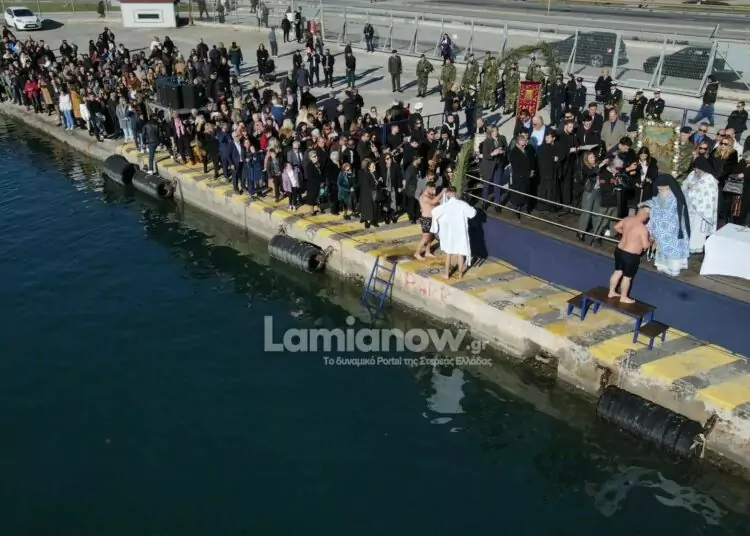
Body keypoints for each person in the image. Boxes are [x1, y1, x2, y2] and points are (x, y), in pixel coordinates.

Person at [642, 174, 691, 277]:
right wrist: (645, 204)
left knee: (672, 251)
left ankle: (673, 269)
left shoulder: (674, 198)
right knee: (662, 248)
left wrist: (651, 210)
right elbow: (655, 201)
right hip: (663, 231)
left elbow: (668, 214)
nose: (660, 192)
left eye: (662, 190)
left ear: (669, 188)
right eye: (659, 190)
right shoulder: (662, 195)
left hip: (673, 231)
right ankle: (662, 266)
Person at [430, 187, 477, 279]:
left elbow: (434, 212)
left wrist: (437, 226)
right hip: (460, 233)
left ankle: (447, 274)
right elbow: (472, 213)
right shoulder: (462, 204)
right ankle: (460, 274)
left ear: (447, 194)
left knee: (448, 254)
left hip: (449, 234)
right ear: (456, 193)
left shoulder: (445, 206)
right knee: (460, 253)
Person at [608, 208, 651, 304]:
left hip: (619, 250)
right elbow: (645, 245)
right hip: (630, 255)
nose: (648, 218)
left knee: (617, 272)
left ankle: (611, 292)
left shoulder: (627, 219)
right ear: (645, 215)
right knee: (627, 277)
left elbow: (616, 227)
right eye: (648, 216)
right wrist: (651, 240)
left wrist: (627, 233)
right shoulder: (642, 229)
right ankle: (623, 297)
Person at [682, 156, 719, 254]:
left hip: (701, 211)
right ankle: (685, 245)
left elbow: (710, 195)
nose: (695, 170)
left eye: (697, 168)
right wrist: (688, 186)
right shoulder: (692, 174)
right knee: (687, 227)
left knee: (697, 230)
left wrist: (694, 188)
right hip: (689, 208)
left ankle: (695, 247)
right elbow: (684, 184)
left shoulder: (709, 178)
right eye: (694, 168)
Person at [415, 181, 444, 260]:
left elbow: (435, 203)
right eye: (433, 189)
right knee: (425, 237)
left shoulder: (430, 195)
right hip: (426, 219)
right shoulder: (424, 197)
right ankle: (417, 253)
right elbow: (433, 202)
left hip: (431, 219)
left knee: (430, 236)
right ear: (429, 188)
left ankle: (427, 252)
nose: (434, 191)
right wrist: (441, 193)